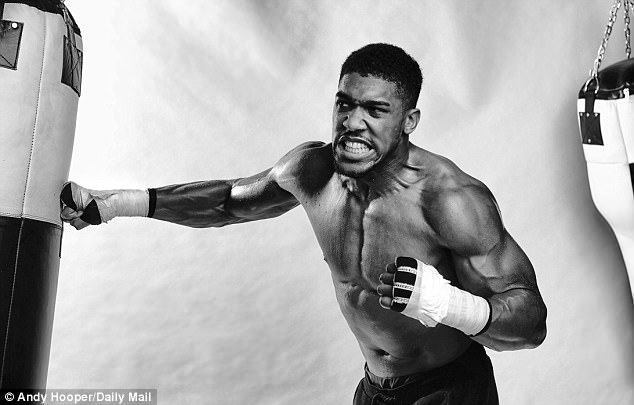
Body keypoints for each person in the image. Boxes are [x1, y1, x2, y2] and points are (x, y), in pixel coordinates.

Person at [60, 43, 547, 405]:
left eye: (376, 110)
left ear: (410, 120)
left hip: (451, 390)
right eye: (344, 103)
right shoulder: (312, 172)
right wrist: (119, 203)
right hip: (375, 389)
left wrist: (448, 304)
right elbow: (229, 202)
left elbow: (530, 322)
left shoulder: (449, 200)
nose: (353, 122)